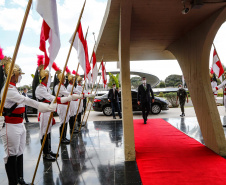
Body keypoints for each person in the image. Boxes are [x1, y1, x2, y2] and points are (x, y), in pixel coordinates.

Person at [0, 56, 57, 185]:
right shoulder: (7, 90)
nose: (20, 76)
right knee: (11, 156)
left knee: (19, 152)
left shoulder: (13, 88)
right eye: (19, 74)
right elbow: (27, 101)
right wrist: (45, 107)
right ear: (13, 74)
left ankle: (20, 179)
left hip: (20, 124)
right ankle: (13, 182)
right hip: (10, 125)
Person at [33, 56, 74, 161]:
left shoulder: (45, 87)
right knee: (44, 133)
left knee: (49, 131)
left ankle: (49, 150)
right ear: (45, 77)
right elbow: (51, 98)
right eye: (48, 76)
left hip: (48, 111)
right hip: (44, 112)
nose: (49, 78)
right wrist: (63, 99)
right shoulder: (40, 88)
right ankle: (45, 154)